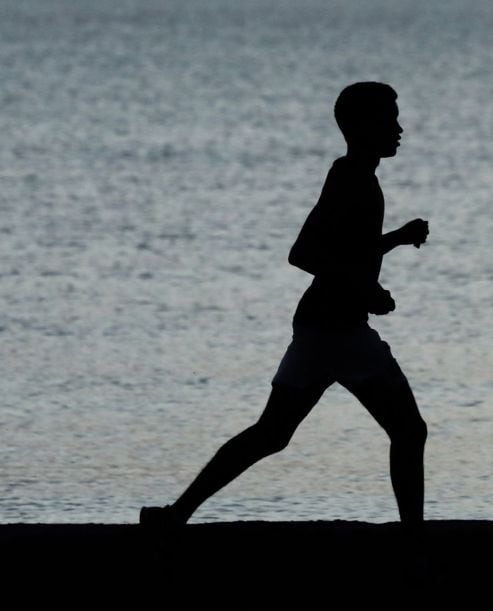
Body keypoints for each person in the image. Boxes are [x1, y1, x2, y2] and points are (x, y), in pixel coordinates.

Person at [141, 82, 429, 526]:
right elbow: (305, 254)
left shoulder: (358, 176)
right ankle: (415, 541)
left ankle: (175, 515)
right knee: (408, 431)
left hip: (322, 328)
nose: (398, 128)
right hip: (339, 330)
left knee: (272, 433)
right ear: (358, 126)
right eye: (388, 119)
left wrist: (394, 239)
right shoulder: (350, 177)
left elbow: (349, 250)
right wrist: (366, 290)